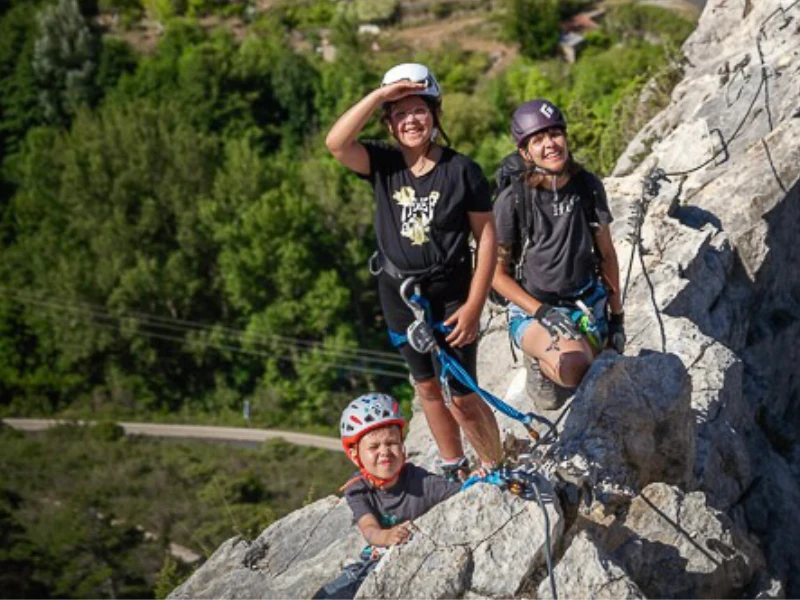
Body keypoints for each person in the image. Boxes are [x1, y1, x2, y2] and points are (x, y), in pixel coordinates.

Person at [325, 63, 503, 479]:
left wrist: (475, 306)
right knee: (426, 386)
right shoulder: (384, 164)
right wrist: (378, 96)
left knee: (461, 393)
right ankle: (454, 466)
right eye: (400, 113)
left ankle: (495, 465)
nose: (410, 121)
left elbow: (487, 238)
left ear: (436, 115)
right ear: (389, 123)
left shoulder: (462, 171)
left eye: (419, 110)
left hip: (452, 293)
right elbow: (336, 143)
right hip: (400, 294)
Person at [491, 99, 626, 411]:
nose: (550, 144)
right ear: (525, 153)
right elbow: (495, 276)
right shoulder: (512, 200)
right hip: (535, 307)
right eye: (538, 140)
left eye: (555, 134)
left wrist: (617, 317)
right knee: (577, 368)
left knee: (608, 367)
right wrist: (542, 312)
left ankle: (569, 349)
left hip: (585, 298)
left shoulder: (587, 186)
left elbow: (606, 254)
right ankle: (538, 360)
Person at [313, 393, 461, 599]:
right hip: (374, 560)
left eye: (391, 443)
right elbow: (369, 528)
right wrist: (386, 537)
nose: (384, 451)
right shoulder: (358, 489)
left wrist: (477, 483)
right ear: (355, 455)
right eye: (374, 447)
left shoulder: (422, 481)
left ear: (402, 445)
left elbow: (463, 495)